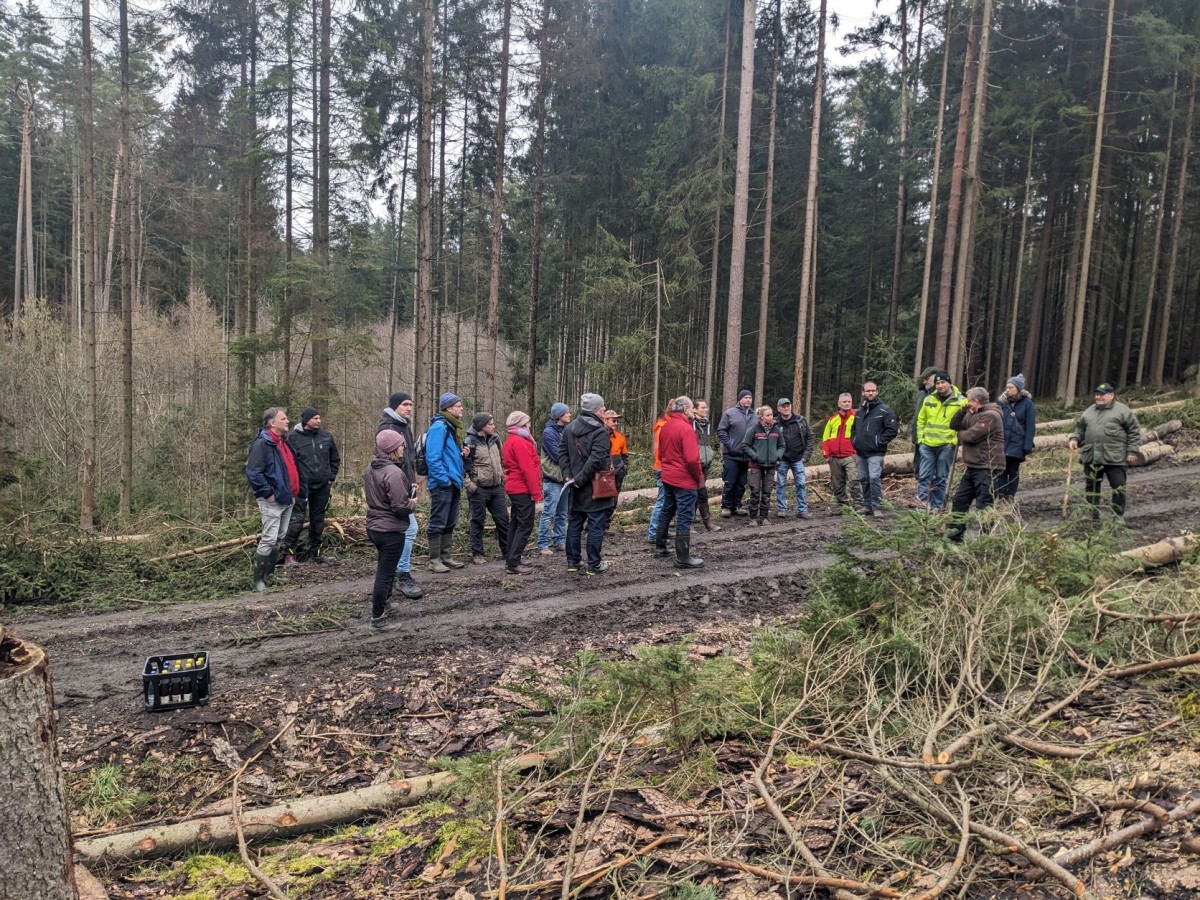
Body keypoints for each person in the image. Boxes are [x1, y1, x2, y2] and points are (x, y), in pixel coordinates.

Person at [245, 407, 307, 592]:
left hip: (288, 498)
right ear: (272, 423)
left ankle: (270, 574)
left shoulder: (283, 442)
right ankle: (257, 580)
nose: (287, 421)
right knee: (269, 538)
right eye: (283, 418)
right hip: (273, 499)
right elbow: (253, 472)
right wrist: (268, 493)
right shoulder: (262, 444)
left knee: (279, 538)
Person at [364, 430, 417, 628]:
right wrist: (412, 502)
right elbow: (400, 507)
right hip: (390, 530)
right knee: (385, 574)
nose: (403, 448)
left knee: (386, 569)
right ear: (393, 449)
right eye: (401, 445)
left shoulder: (371, 467)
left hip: (375, 527)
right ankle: (377, 617)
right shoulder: (394, 473)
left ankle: (385, 603)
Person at [559, 392, 616, 575]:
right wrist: (580, 479)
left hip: (575, 486)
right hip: (595, 486)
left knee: (575, 523)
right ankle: (594, 564)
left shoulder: (569, 428)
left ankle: (573, 562)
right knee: (595, 525)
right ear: (595, 409)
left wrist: (569, 477)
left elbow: (563, 454)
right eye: (602, 407)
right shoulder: (600, 431)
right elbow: (596, 459)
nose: (604, 409)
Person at [1068, 383, 1140, 524]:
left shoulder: (1123, 411)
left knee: (1118, 487)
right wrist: (1074, 438)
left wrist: (1132, 451)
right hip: (1092, 456)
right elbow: (1080, 429)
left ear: (1112, 395)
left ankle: (1117, 515)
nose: (1098, 397)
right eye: (1096, 394)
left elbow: (1134, 432)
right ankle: (1091, 514)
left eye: (1102, 394)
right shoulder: (1088, 411)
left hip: (1115, 457)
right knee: (1091, 486)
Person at [377, 392, 423, 599]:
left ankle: (393, 574)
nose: (409, 408)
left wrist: (413, 480)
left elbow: (408, 458)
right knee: (409, 528)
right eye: (405, 404)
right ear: (395, 406)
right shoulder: (389, 427)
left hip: (404, 483)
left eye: (411, 404)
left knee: (406, 530)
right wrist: (403, 485)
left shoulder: (403, 425)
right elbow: (391, 461)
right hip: (395, 486)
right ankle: (400, 574)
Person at [282, 406, 341, 565]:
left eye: (319, 418)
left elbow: (335, 459)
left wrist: (331, 477)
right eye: (315, 418)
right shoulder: (293, 438)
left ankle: (316, 554)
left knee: (318, 521)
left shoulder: (326, 436)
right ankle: (289, 555)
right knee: (296, 521)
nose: (319, 420)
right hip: (302, 488)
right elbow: (287, 463)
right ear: (306, 420)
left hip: (322, 487)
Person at [946, 387, 1005, 543]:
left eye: (968, 400)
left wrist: (960, 434)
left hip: (988, 466)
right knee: (959, 501)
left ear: (976, 401)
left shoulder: (991, 416)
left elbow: (970, 436)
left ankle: (985, 540)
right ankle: (955, 537)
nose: (967, 402)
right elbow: (954, 425)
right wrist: (961, 411)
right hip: (973, 466)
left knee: (984, 505)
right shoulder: (973, 414)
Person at [654, 396, 705, 568]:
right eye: (691, 408)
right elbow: (692, 459)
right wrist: (698, 477)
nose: (693, 411)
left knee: (667, 509)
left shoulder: (666, 426)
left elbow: (660, 453)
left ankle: (660, 547)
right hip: (684, 479)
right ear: (685, 410)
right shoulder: (686, 429)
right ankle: (683, 557)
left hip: (668, 476)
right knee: (685, 516)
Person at [426, 392, 467, 572]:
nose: (461, 409)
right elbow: (433, 458)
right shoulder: (439, 427)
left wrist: (462, 454)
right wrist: (444, 480)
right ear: (449, 408)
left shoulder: (452, 428)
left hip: (454, 482)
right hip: (443, 484)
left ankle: (446, 556)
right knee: (438, 521)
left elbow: (448, 456)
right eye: (459, 406)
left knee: (450, 521)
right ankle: (434, 560)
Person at [915, 372, 966, 510]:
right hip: (927, 445)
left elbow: (965, 423)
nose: (940, 385)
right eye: (937, 383)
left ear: (949, 383)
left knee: (941, 477)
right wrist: (921, 439)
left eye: (943, 382)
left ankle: (937, 507)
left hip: (946, 445)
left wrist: (954, 441)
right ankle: (922, 506)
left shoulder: (961, 401)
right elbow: (921, 420)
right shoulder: (929, 399)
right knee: (924, 476)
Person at [465, 412, 509, 565]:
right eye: (491, 424)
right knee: (478, 521)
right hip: (479, 489)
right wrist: (471, 487)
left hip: (496, 488)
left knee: (503, 519)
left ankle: (508, 552)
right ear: (483, 426)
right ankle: (478, 554)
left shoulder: (496, 440)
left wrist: (502, 478)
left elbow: (501, 461)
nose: (494, 426)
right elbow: (464, 467)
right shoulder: (470, 441)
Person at [850, 381, 899, 517]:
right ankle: (867, 506)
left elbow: (892, 429)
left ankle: (877, 506)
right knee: (864, 478)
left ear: (877, 392)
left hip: (875, 452)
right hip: (860, 452)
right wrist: (854, 441)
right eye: (868, 391)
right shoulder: (859, 411)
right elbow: (853, 429)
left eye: (873, 390)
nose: (870, 393)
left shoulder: (884, 410)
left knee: (874, 478)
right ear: (863, 393)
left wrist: (879, 442)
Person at [501, 411, 541, 575]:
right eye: (528, 423)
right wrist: (536, 492)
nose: (530, 426)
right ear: (522, 425)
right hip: (522, 489)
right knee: (525, 525)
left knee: (516, 524)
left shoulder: (512, 440)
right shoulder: (520, 442)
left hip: (516, 487)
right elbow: (528, 469)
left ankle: (511, 558)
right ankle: (513, 562)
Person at [536, 402, 571, 555]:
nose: (570, 414)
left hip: (564, 478)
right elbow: (557, 455)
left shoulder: (566, 431)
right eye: (567, 412)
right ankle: (543, 544)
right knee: (548, 513)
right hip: (553, 479)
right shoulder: (549, 433)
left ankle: (559, 541)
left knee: (562, 513)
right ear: (560, 415)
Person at [996, 374, 1036, 502]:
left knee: (1013, 470)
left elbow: (1030, 425)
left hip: (1017, 442)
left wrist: (1027, 445)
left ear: (1018, 389)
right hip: (1002, 442)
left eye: (1011, 387)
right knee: (1001, 469)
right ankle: (1001, 495)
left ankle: (1010, 495)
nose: (1007, 390)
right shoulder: (1001, 403)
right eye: (1007, 387)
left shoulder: (1027, 403)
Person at [742, 405, 783, 525]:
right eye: (767, 415)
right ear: (761, 416)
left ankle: (764, 517)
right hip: (755, 465)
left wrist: (777, 456)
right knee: (755, 490)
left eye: (771, 415)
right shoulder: (753, 429)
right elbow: (745, 445)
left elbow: (782, 446)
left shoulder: (776, 430)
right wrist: (755, 456)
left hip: (771, 465)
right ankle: (753, 517)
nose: (770, 417)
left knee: (767, 491)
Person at [718, 389, 756, 517]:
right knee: (730, 482)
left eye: (750, 398)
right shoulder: (730, 413)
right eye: (745, 397)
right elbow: (721, 431)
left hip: (746, 455)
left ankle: (737, 505)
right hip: (732, 455)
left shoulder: (754, 415)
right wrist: (730, 445)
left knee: (741, 483)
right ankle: (726, 506)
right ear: (740, 399)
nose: (748, 400)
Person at [822, 393, 862, 513]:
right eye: (844, 402)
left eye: (848, 402)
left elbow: (861, 436)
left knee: (854, 480)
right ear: (839, 403)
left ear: (851, 403)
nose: (846, 404)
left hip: (851, 455)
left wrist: (857, 452)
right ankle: (842, 506)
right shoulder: (832, 419)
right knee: (837, 484)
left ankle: (859, 505)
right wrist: (826, 454)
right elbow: (825, 437)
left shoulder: (857, 417)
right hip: (834, 457)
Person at [775, 398, 815, 519]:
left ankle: (802, 510)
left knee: (801, 484)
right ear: (779, 409)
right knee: (781, 484)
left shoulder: (801, 420)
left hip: (798, 458)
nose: (786, 408)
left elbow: (810, 437)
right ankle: (782, 509)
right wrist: (775, 457)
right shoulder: (775, 423)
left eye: (788, 406)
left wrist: (806, 456)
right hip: (782, 459)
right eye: (783, 406)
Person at [692, 400, 721, 531]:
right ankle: (691, 522)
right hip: (693, 463)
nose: (706, 409)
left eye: (706, 407)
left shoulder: (707, 424)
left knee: (701, 492)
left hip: (705, 463)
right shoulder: (689, 423)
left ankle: (703, 520)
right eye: (703, 407)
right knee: (694, 492)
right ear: (694, 409)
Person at [646, 403, 672, 543]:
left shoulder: (663, 426)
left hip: (662, 466)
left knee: (666, 501)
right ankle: (654, 533)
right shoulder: (664, 428)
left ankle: (661, 530)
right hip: (664, 467)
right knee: (662, 501)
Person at [603, 410, 629, 533]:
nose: (616, 423)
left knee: (613, 500)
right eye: (613, 420)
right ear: (605, 420)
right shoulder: (599, 435)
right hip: (603, 473)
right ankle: (595, 525)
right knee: (600, 498)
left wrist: (624, 467)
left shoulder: (620, 437)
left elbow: (624, 455)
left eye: (617, 420)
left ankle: (606, 525)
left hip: (618, 472)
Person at [912, 367, 939, 468]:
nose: (924, 382)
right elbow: (917, 416)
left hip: (933, 439)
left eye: (927, 379)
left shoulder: (939, 396)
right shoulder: (922, 393)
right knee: (918, 464)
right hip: (920, 435)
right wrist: (915, 434)